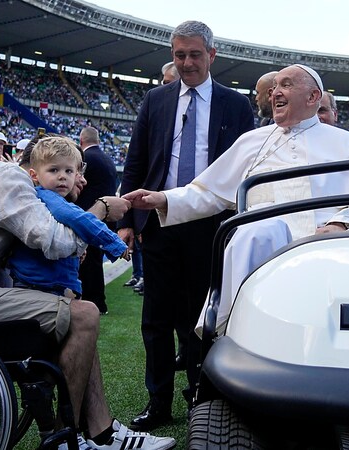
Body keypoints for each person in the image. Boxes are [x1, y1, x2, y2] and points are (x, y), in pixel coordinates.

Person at [0, 160, 175, 450]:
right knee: (83, 314)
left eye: (73, 172)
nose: (72, 180)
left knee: (76, 310)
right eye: (65, 170)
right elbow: (56, 241)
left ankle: (101, 431)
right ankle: (65, 438)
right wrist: (102, 209)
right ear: (35, 171)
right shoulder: (11, 178)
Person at [123, 63, 349, 336]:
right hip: (263, 249)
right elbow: (209, 191)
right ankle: (239, 336)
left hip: (327, 247)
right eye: (274, 87)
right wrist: (162, 199)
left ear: (313, 97)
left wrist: (340, 224)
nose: (276, 93)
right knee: (257, 231)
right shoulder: (251, 141)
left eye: (287, 85)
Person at [116, 20, 255, 431]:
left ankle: (200, 398)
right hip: (158, 220)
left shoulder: (235, 104)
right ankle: (157, 402)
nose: (187, 62)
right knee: (155, 319)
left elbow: (244, 168)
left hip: (210, 224)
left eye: (195, 54)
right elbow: (136, 159)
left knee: (202, 318)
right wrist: (127, 219)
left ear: (212, 55)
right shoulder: (156, 100)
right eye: (179, 55)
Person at [9, 136, 128, 299]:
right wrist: (114, 243)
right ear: (34, 175)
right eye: (53, 170)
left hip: (40, 280)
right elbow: (80, 219)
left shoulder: (44, 197)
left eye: (69, 171)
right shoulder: (50, 198)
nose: (62, 176)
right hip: (43, 283)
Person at [75, 126, 120, 314]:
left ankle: (94, 302)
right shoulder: (107, 159)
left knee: (89, 262)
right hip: (105, 217)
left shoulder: (87, 158)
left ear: (81, 141)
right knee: (94, 261)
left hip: (91, 215)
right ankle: (98, 301)